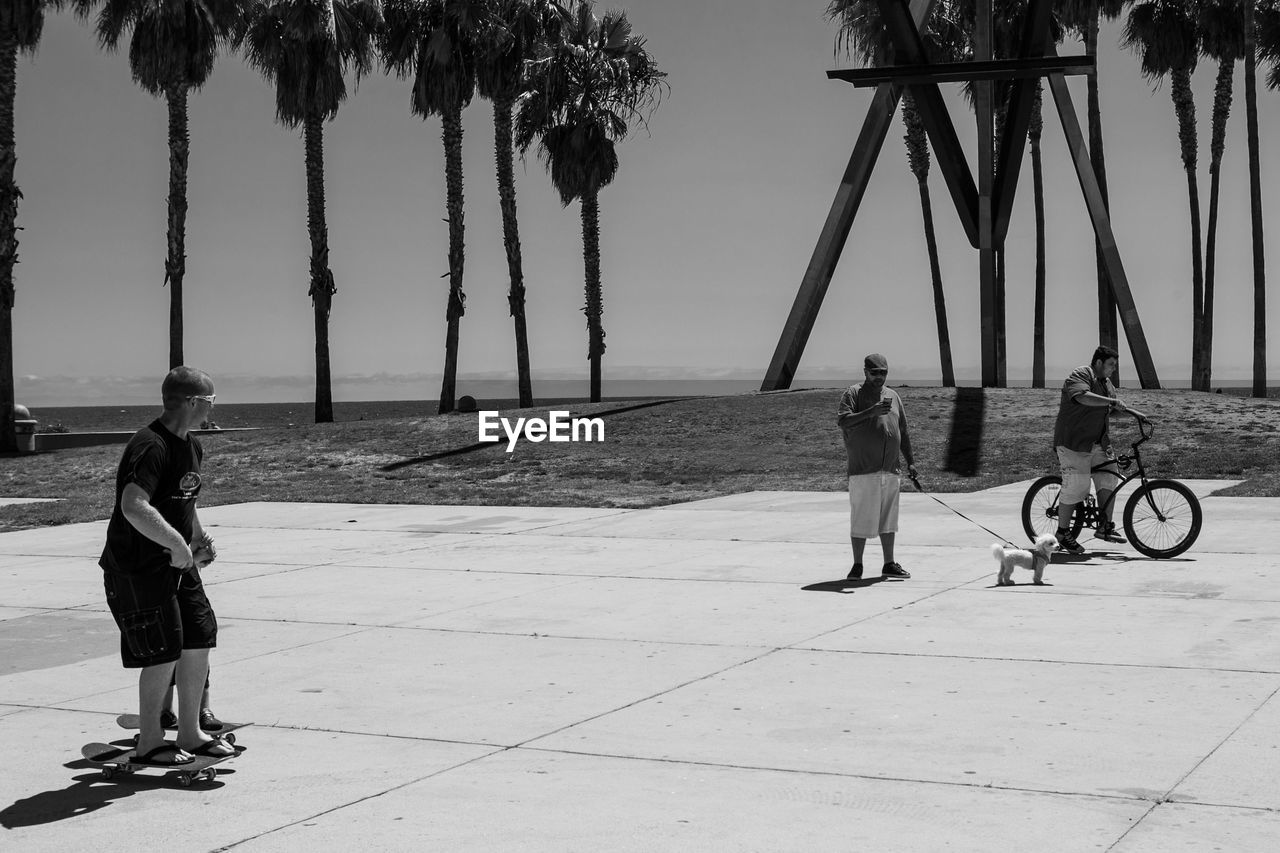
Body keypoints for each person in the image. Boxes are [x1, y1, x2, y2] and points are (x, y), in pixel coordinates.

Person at [98, 367, 233, 765]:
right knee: (162, 650)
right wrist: (176, 545)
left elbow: (184, 501)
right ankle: (151, 741)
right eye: (210, 401)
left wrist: (195, 541)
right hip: (138, 567)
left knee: (198, 637)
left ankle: (190, 733)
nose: (212, 409)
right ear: (192, 401)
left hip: (177, 561)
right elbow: (133, 505)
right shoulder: (150, 445)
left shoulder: (191, 445)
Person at [1052, 345, 1148, 553]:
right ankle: (1062, 532)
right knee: (1078, 485)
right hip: (1073, 442)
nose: (1114, 369)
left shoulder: (1106, 384)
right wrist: (1112, 400)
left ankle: (1104, 526)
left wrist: (1135, 414)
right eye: (1111, 365)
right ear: (1098, 363)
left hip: (1098, 443)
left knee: (1109, 476)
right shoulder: (1081, 374)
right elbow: (1082, 397)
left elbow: (1111, 410)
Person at [837, 353, 918, 580]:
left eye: (883, 373)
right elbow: (843, 420)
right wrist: (870, 412)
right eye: (875, 373)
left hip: (890, 470)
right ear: (865, 372)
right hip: (863, 470)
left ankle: (889, 563)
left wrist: (910, 461)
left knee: (889, 519)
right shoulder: (854, 393)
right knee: (861, 518)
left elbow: (903, 430)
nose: (879, 377)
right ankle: (857, 565)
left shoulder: (893, 396)